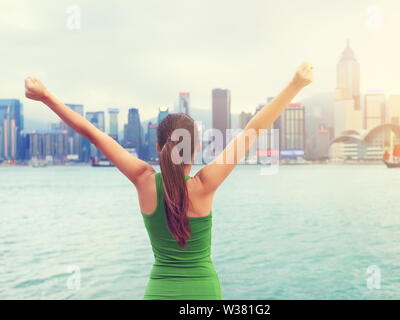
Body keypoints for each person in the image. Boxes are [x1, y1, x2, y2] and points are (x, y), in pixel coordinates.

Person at [24, 61, 313, 299]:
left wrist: (46, 96)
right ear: (196, 148)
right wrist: (296, 84)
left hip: (159, 291)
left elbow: (93, 135)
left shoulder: (143, 180)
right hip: (204, 293)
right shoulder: (204, 185)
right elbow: (254, 129)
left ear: (158, 147)